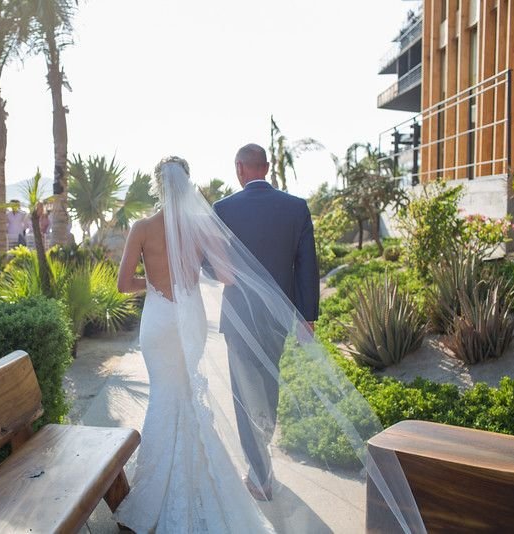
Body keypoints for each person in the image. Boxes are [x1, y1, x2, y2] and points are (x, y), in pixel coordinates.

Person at [114, 156, 421, 533]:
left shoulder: (142, 227)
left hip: (160, 320)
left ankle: (159, 478)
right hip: (191, 316)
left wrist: (159, 286)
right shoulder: (200, 226)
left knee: (164, 392)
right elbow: (227, 275)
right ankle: (226, 471)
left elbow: (123, 284)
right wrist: (190, 278)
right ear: (187, 185)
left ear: (157, 185)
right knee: (192, 393)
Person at [213, 144, 319, 499]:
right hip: (278, 318)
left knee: (243, 392)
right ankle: (263, 460)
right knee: (269, 386)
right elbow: (307, 266)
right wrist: (308, 317)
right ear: (267, 167)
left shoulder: (223, 209)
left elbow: (213, 266)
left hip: (239, 317)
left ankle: (259, 474)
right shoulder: (296, 208)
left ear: (240, 169)